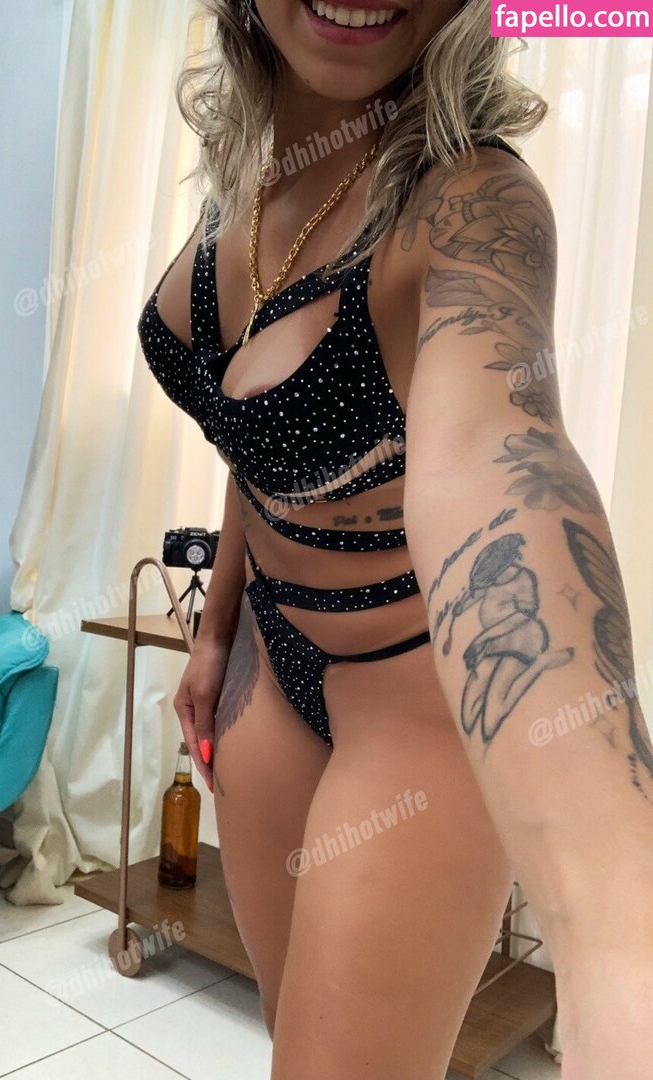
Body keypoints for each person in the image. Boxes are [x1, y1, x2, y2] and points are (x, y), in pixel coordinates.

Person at [137, 1, 653, 1076]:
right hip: (272, 663)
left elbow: (500, 460)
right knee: (292, 1033)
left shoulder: (473, 204)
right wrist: (216, 630)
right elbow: (255, 441)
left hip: (416, 700)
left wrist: (619, 941)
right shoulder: (245, 186)